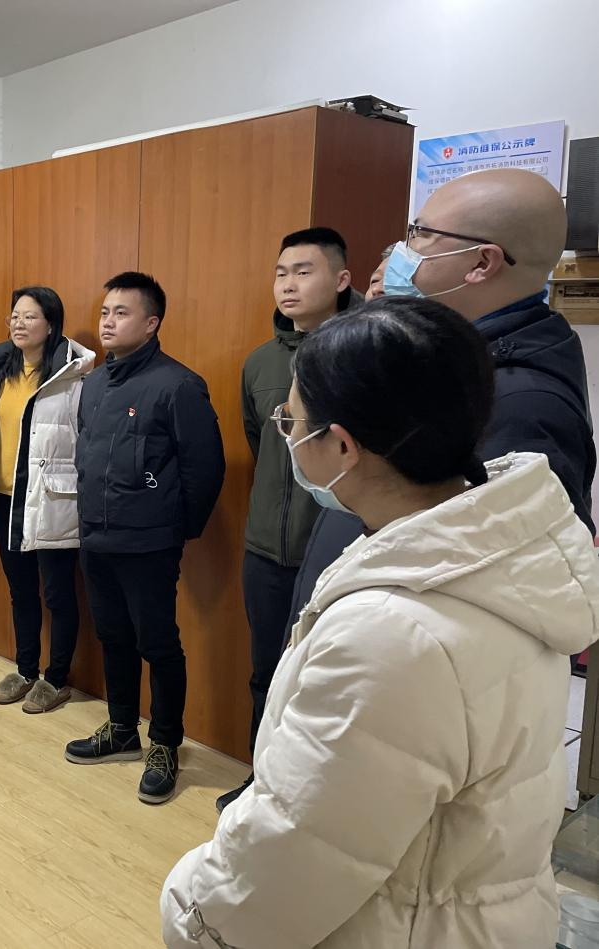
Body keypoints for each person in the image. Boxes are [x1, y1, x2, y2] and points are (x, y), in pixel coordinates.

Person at [161, 296, 599, 949]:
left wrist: (188, 912)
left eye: (292, 421)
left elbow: (288, 865)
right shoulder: (500, 550)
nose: (285, 433)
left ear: (342, 446)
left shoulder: (390, 634)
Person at [288, 168, 597, 633]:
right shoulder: (443, 360)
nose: (403, 250)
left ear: (482, 263)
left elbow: (503, 590)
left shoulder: (522, 402)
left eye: (421, 234)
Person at [65, 272, 225, 805]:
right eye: (105, 312)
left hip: (150, 542)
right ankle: (121, 729)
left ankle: (165, 744)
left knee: (158, 644)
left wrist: (175, 528)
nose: (108, 321)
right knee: (112, 635)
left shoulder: (178, 385)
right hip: (96, 535)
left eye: (122, 312)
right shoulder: (92, 384)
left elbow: (205, 469)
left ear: (151, 322)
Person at [218, 228, 353, 813]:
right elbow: (263, 442)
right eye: (281, 273)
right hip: (265, 550)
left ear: (341, 279)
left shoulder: (365, 353)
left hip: (339, 551)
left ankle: (314, 803)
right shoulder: (260, 363)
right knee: (266, 674)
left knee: (324, 686)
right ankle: (262, 785)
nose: (288, 284)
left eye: (304, 271)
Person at [0, 286, 94, 713]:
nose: (19, 324)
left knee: (58, 593)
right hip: (6, 497)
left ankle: (56, 678)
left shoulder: (72, 377)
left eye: (30, 316)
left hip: (52, 499)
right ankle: (25, 670)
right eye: (15, 316)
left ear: (51, 324)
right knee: (21, 590)